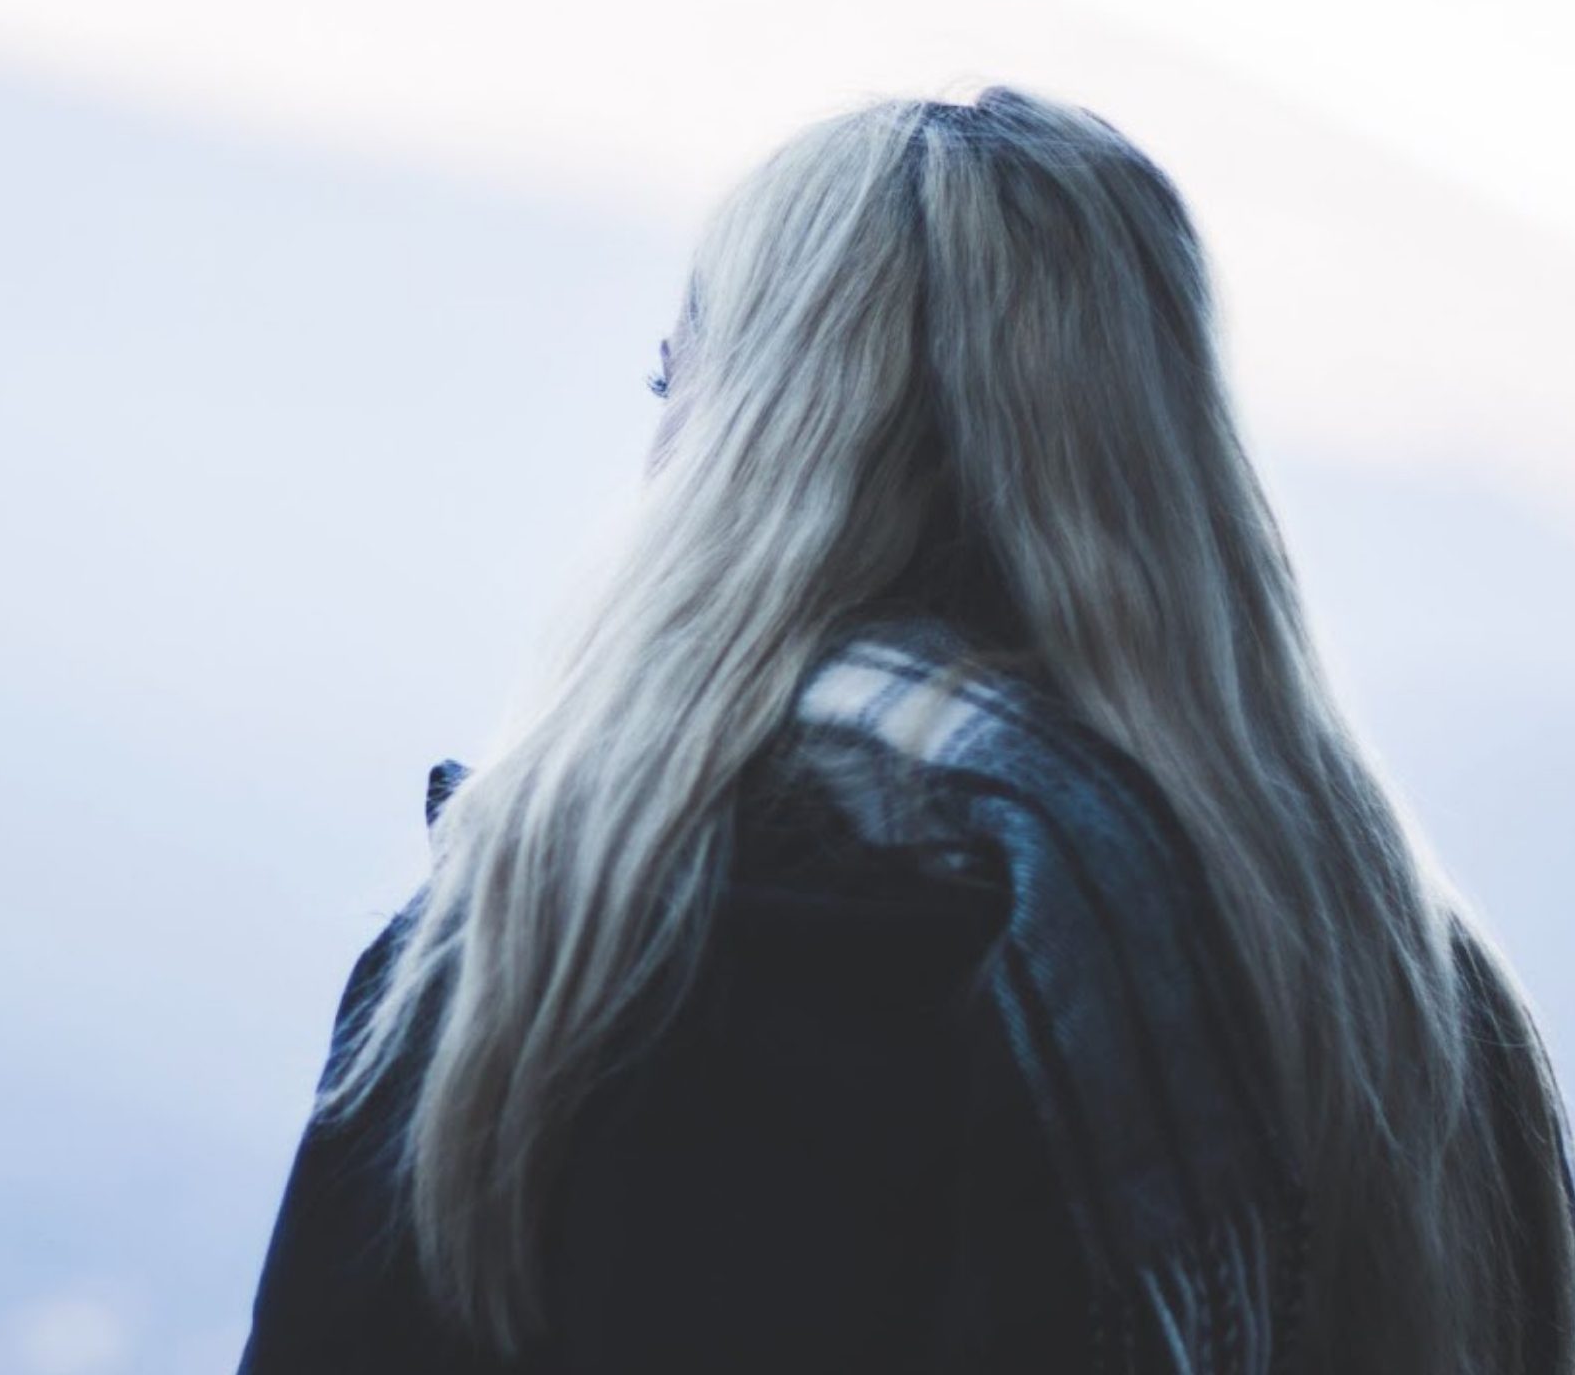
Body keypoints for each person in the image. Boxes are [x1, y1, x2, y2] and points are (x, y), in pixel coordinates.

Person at [235, 87, 1575, 1374]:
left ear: (751, 447)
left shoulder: (576, 954)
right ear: (1172, 466)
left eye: (672, 386)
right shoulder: (1417, 1002)